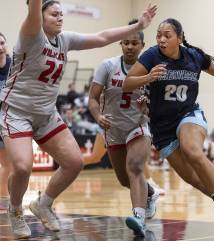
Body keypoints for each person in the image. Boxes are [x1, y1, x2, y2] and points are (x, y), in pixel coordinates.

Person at [0, 0, 157, 239]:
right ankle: (16, 211)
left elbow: (103, 37)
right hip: (17, 111)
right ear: (40, 16)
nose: (60, 17)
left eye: (62, 14)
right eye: (54, 14)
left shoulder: (66, 39)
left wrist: (138, 24)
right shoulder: (31, 34)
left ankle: (43, 203)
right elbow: (34, 9)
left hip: (46, 113)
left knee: (74, 163)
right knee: (22, 167)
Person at [123, 18, 214, 236]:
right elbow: (127, 83)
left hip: (189, 115)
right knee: (194, 179)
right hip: (162, 127)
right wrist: (148, 76)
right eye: (159, 35)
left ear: (180, 38)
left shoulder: (194, 57)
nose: (162, 39)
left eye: (167, 35)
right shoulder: (151, 56)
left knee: (192, 149)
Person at [88, 19, 161, 237]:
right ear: (120, 44)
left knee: (136, 167)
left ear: (142, 45)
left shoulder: (150, 71)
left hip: (138, 125)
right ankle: (149, 193)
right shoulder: (108, 66)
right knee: (123, 179)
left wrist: (147, 107)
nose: (129, 47)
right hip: (113, 128)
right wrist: (98, 115)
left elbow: (156, 108)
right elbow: (92, 98)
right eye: (125, 43)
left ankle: (138, 217)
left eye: (134, 43)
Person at [0, 32, 11, 210]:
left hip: (10, 119)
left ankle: (4, 198)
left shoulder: (14, 64)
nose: (0, 47)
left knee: (9, 165)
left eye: (2, 43)